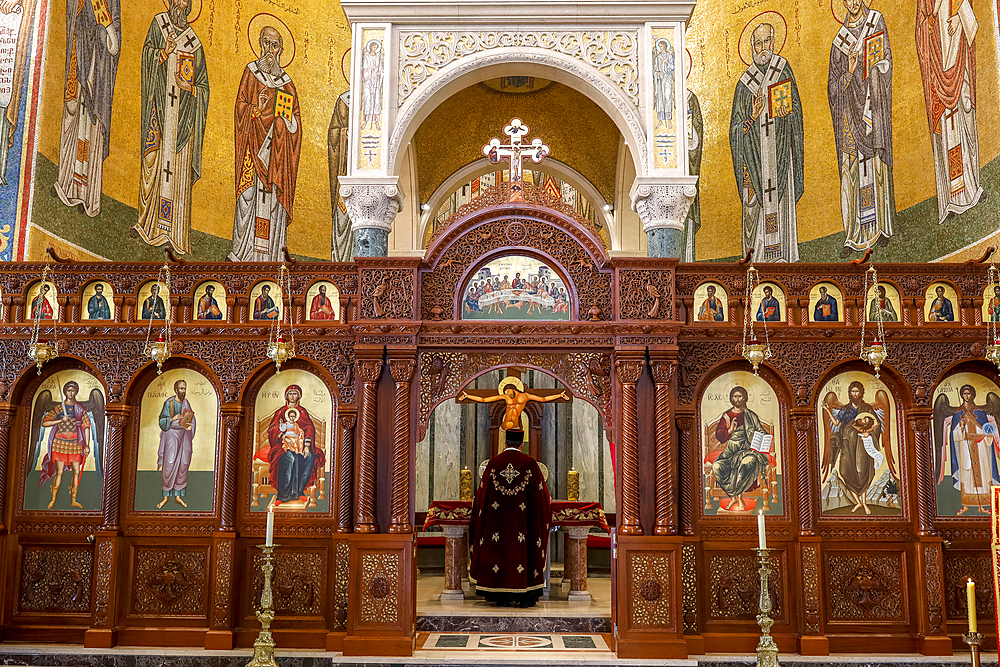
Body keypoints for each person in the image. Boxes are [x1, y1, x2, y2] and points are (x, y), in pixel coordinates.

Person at [134, 0, 210, 256]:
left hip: (182, 122)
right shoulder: (159, 24)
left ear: (189, 5)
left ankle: (174, 234)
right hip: (158, 110)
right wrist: (163, 53)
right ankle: (146, 224)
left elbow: (204, 87)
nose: (179, 3)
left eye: (184, 0)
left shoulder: (194, 43)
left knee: (177, 174)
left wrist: (190, 88)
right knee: (152, 160)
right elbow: (146, 58)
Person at [730, 22, 804, 263]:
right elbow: (734, 131)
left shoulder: (783, 71)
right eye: (758, 43)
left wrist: (787, 113)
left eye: (767, 42)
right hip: (755, 162)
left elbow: (797, 111)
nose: (763, 48)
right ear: (752, 47)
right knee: (755, 210)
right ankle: (757, 259)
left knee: (782, 203)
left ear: (773, 42)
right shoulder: (744, 84)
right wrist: (753, 116)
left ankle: (785, 257)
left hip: (781, 154)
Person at [228, 25, 302, 262]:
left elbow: (296, 122)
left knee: (272, 205)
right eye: (266, 44)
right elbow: (240, 107)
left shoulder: (286, 84)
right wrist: (253, 111)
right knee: (248, 197)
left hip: (276, 158)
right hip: (252, 150)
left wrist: (287, 122)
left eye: (275, 46)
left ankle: (273, 256)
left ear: (281, 50)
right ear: (260, 44)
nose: (270, 51)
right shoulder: (251, 73)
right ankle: (242, 252)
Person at [828, 0, 894, 257]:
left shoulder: (876, 22)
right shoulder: (839, 42)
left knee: (875, 167)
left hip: (872, 108)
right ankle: (853, 235)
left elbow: (887, 59)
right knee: (851, 173)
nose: (853, 2)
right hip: (849, 117)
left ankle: (882, 229)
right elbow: (832, 88)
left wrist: (875, 67)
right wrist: (850, 72)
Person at [916, 0, 986, 223]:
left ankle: (973, 188)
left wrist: (959, 18)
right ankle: (950, 201)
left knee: (965, 119)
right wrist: (933, 14)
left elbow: (969, 13)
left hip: (959, 61)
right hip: (938, 71)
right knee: (946, 136)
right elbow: (920, 34)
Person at [53, 0, 121, 216]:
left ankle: (88, 196)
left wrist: (107, 32)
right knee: (73, 119)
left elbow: (114, 42)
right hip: (78, 68)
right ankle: (65, 183)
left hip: (96, 75)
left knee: (91, 130)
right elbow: (73, 16)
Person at [469, 429, 551, 607]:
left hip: (496, 524)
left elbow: (481, 497)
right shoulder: (530, 464)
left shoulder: (493, 463)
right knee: (522, 549)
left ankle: (499, 594)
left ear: (505, 443)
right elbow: (541, 498)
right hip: (523, 524)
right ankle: (525, 594)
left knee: (499, 550)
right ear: (521, 444)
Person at [935, 385, 1000, 515]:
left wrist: (989, 435)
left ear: (973, 395)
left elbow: (987, 430)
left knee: (983, 474)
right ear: (961, 395)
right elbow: (953, 436)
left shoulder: (981, 412)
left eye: (969, 393)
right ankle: (966, 505)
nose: (966, 396)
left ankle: (982, 506)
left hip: (981, 447)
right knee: (967, 475)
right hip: (965, 448)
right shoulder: (957, 413)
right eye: (964, 393)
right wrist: (961, 427)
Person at [823, 381, 886, 514]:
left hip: (863, 445)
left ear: (861, 393)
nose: (855, 394)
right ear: (850, 393)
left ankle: (864, 503)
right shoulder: (845, 409)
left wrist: (869, 433)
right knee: (846, 471)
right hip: (847, 444)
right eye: (853, 392)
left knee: (862, 472)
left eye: (857, 391)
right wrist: (828, 411)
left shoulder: (867, 408)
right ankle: (858, 503)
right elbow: (836, 422)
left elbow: (877, 424)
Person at [711, 386, 769, 512]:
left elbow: (760, 430)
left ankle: (738, 497)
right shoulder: (727, 416)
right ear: (731, 398)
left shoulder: (751, 415)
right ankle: (733, 495)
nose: (737, 399)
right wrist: (730, 431)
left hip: (748, 449)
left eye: (740, 396)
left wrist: (764, 438)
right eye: (735, 396)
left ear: (745, 398)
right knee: (717, 466)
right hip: (731, 451)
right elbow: (719, 435)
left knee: (745, 464)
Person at [266, 384, 324, 506]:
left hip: (300, 444)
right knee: (290, 459)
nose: (293, 396)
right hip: (283, 445)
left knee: (309, 458)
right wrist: (283, 436)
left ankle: (299, 491)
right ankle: (282, 495)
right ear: (287, 396)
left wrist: (307, 446)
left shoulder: (302, 412)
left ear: (299, 396)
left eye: (295, 393)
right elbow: (272, 428)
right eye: (290, 393)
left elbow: (309, 428)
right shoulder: (281, 412)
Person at [39, 381, 91, 509]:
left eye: (73, 390)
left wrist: (87, 444)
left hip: (75, 444)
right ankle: (53, 500)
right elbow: (45, 423)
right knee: (60, 471)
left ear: (76, 392)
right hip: (60, 443)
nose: (71, 393)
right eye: (68, 390)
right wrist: (60, 420)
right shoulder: (58, 408)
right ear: (65, 392)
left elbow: (86, 427)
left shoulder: (80, 409)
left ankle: (73, 500)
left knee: (76, 471)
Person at [156, 379, 195, 508]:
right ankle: (165, 496)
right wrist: (172, 418)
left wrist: (189, 427)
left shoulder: (186, 403)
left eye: (185, 388)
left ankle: (178, 496)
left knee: (183, 464)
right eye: (181, 388)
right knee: (169, 464)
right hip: (171, 437)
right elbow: (162, 421)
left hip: (184, 438)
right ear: (176, 390)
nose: (183, 391)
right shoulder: (169, 403)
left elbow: (191, 419)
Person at [460, 384, 568, 431]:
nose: (506, 393)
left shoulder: (525, 396)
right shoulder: (505, 397)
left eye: (507, 391)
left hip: (516, 427)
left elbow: (543, 399)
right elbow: (484, 399)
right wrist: (468, 396)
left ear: (513, 388)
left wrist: (559, 395)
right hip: (504, 427)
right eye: (505, 392)